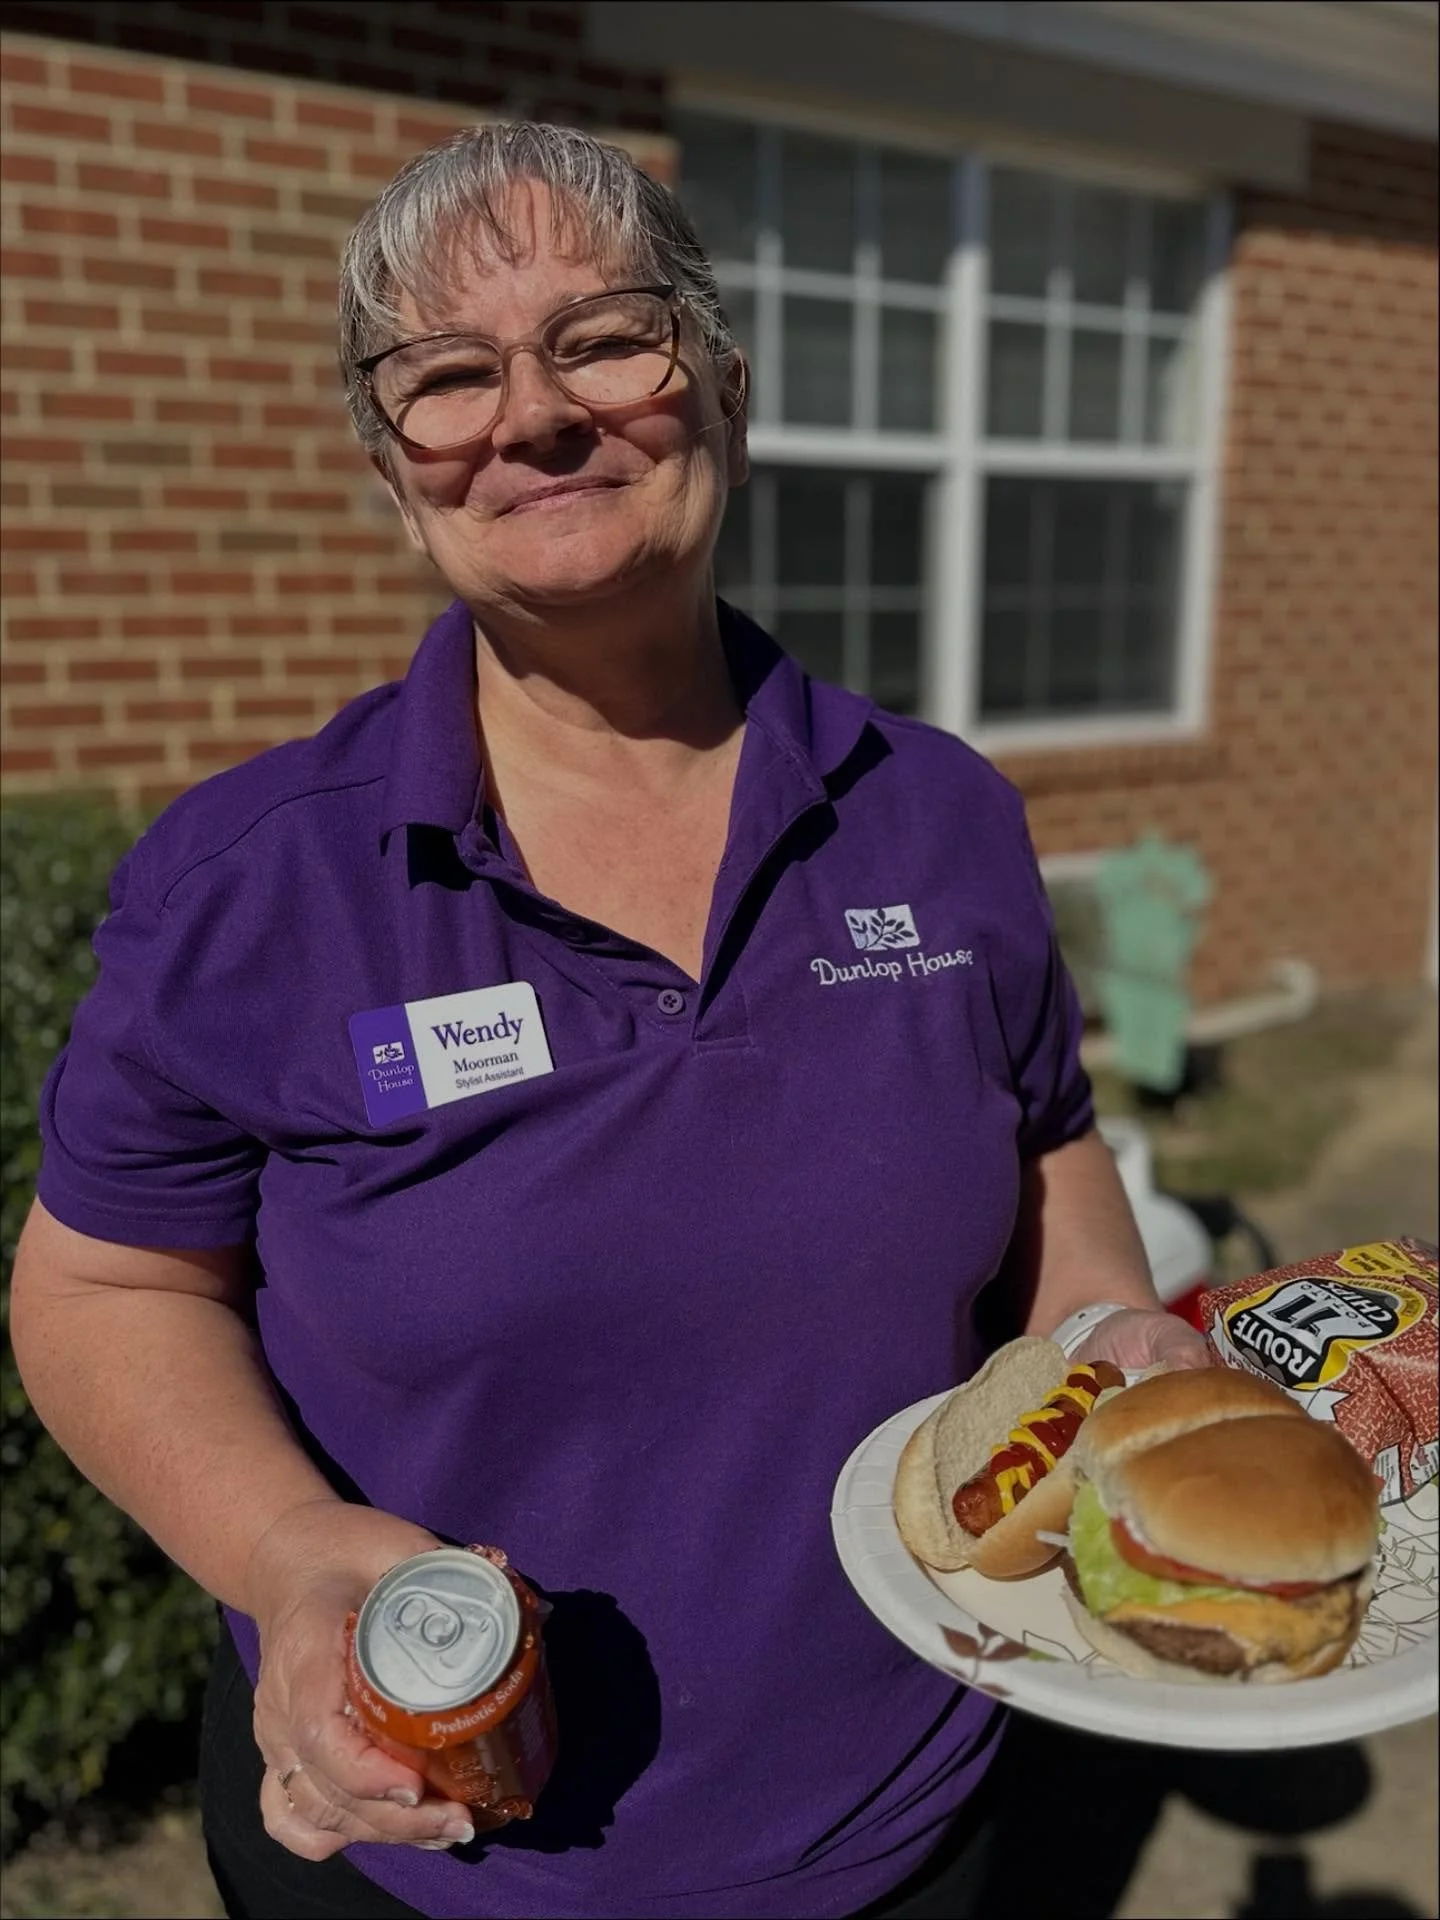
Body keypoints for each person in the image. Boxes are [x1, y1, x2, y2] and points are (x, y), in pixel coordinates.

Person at [10, 122, 1210, 1920]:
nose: (537, 415)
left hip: (913, 1812)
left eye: (606, 336)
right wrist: (280, 1546)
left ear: (720, 377)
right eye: (446, 376)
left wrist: (1114, 1338)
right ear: (388, 462)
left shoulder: (939, 816)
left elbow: (1045, 1150)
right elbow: (106, 1285)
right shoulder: (258, 881)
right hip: (439, 1849)